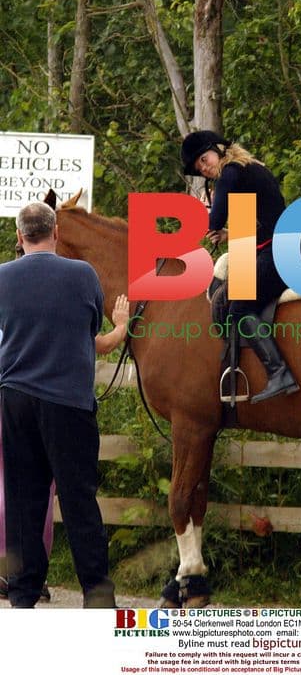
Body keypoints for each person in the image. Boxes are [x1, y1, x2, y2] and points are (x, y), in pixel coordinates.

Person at [0, 201, 116, 608]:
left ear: (19, 236)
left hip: (15, 400)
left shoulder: (2, 277)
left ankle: (22, 595)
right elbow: (90, 333)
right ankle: (97, 596)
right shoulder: (82, 275)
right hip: (68, 402)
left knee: (23, 500)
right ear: (55, 232)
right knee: (79, 498)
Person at [181, 130, 301, 404]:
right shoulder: (249, 171)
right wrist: (227, 234)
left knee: (240, 308)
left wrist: (207, 214)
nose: (204, 167)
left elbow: (214, 219)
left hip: (279, 254)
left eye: (204, 159)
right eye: (199, 167)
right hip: (277, 248)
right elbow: (258, 223)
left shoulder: (231, 172)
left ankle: (279, 373)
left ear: (219, 149)